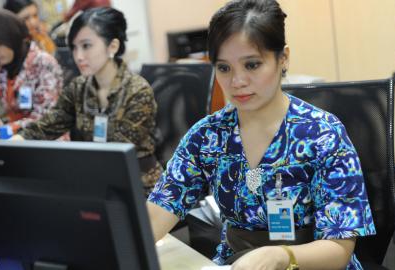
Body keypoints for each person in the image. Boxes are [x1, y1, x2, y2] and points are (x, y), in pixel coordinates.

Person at [147, 1, 376, 269]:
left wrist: (281, 256)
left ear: (283, 58)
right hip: (237, 263)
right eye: (224, 68)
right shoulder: (208, 136)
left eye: (252, 65)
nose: (237, 81)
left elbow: (339, 249)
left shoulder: (322, 134)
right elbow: (157, 215)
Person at [14, 7, 162, 194]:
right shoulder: (79, 87)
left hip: (140, 189)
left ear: (113, 47)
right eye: (74, 47)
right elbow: (48, 125)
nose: (78, 56)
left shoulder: (138, 91)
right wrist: (17, 140)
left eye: (86, 46)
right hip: (96, 184)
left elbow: (117, 153)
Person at [0, 10, 62, 133]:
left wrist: (8, 125)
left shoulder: (44, 64)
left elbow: (46, 118)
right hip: (13, 137)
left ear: (13, 38)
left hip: (46, 141)